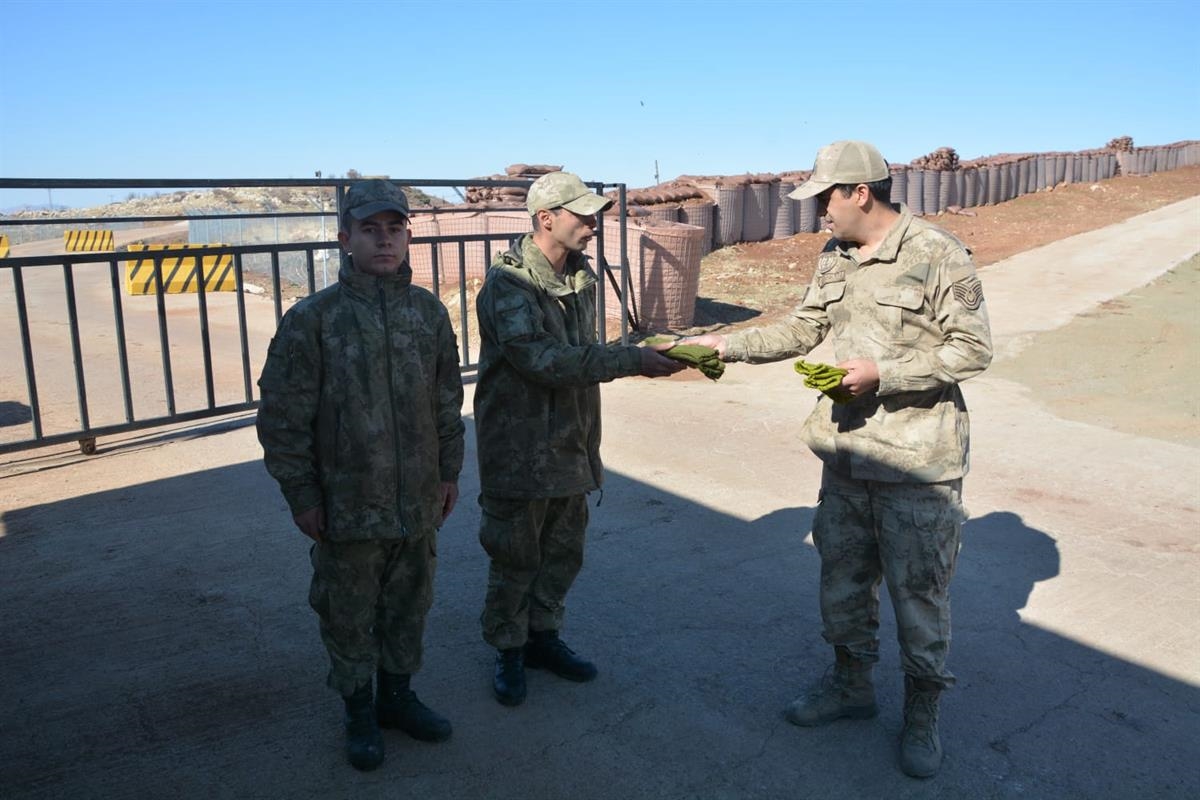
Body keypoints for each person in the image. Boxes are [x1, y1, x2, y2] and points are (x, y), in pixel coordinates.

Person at [684, 141, 992, 778]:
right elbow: (803, 327)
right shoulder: (835, 256)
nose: (818, 212)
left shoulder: (937, 253)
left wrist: (885, 372)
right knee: (842, 584)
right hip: (848, 453)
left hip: (917, 464)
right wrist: (725, 344)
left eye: (825, 198)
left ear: (861, 193)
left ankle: (922, 710)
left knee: (919, 598)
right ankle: (851, 687)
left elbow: (972, 349)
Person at [257, 179, 465, 771]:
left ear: (408, 235)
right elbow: (283, 416)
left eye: (394, 228)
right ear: (344, 236)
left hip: (417, 500)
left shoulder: (427, 313)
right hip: (348, 505)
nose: (384, 240)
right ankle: (359, 710)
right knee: (347, 612)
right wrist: (301, 494)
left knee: (409, 604)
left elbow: (447, 400)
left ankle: (397, 698)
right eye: (370, 229)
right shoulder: (313, 320)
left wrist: (448, 471)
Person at [473, 171, 684, 707]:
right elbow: (540, 359)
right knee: (515, 554)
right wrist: (630, 359)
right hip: (519, 447)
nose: (593, 226)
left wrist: (640, 350)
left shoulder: (580, 275)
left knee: (563, 550)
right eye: (583, 216)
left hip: (570, 439)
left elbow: (578, 358)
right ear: (546, 218)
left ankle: (544, 638)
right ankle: (509, 650)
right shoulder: (509, 284)